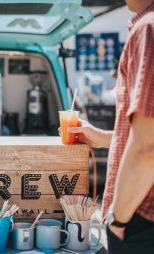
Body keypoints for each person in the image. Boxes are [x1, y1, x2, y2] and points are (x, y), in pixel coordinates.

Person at [68, 1, 154, 253]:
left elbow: (147, 147)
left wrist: (118, 220)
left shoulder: (147, 28)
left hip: (142, 219)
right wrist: (106, 138)